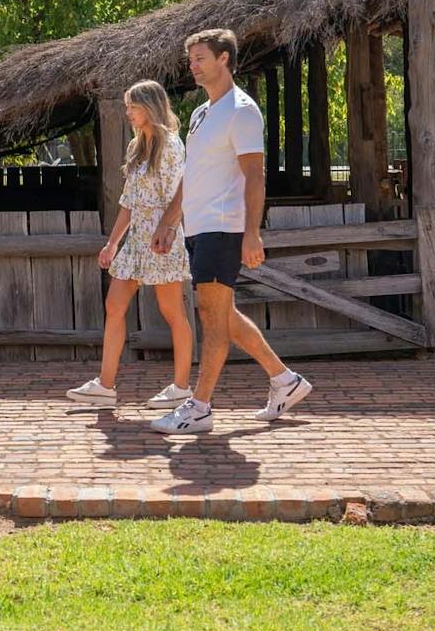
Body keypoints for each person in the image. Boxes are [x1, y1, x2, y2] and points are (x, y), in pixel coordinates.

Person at [148, 29, 313, 434]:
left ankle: (200, 407)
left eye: (200, 58)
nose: (193, 66)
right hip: (198, 227)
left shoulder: (242, 111)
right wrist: (169, 221)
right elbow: (191, 174)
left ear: (224, 59)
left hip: (224, 227)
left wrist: (252, 233)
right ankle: (285, 381)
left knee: (212, 318)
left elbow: (255, 176)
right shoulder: (201, 114)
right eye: (191, 59)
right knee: (221, 313)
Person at [67, 80, 195, 410]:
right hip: (135, 240)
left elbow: (180, 196)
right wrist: (112, 244)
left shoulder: (171, 145)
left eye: (132, 106)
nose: (128, 112)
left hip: (162, 238)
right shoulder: (136, 146)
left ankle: (182, 387)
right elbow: (128, 202)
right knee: (114, 305)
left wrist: (168, 229)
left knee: (173, 313)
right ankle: (105, 385)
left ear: (150, 106)